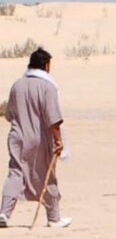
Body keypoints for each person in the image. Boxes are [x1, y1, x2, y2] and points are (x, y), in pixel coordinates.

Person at [0, 48, 72, 228]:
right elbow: (53, 118)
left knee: (15, 173)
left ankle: (4, 213)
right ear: (46, 65)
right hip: (39, 138)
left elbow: (9, 114)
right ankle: (53, 217)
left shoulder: (17, 84)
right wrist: (58, 140)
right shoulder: (48, 86)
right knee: (47, 172)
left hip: (17, 136)